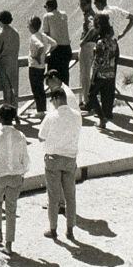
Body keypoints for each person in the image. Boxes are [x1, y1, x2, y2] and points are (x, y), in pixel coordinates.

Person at [0, 105, 29, 254]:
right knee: (11, 209)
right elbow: (25, 160)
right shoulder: (20, 136)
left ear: (0, 119)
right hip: (15, 176)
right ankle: (9, 243)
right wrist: (22, 173)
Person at [39, 88, 81, 240]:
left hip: (54, 159)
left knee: (53, 196)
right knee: (70, 196)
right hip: (70, 159)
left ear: (56, 99)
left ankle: (53, 229)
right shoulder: (77, 116)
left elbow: (41, 136)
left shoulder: (51, 116)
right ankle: (70, 229)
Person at [87, 14, 119, 130]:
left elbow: (98, 61)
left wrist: (93, 76)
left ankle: (101, 118)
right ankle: (104, 118)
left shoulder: (100, 43)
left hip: (100, 74)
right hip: (110, 74)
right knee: (106, 96)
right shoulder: (113, 42)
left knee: (91, 95)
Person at [27, 16, 57, 118]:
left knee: (35, 89)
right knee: (41, 88)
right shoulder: (43, 35)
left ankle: (40, 111)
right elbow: (54, 44)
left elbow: (40, 46)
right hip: (42, 66)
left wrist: (37, 56)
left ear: (31, 26)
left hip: (34, 66)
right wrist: (47, 53)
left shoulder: (33, 36)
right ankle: (42, 109)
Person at [42, 0, 72, 85]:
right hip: (67, 49)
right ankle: (65, 96)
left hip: (57, 50)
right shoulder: (64, 15)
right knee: (65, 77)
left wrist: (45, 51)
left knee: (54, 77)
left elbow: (46, 34)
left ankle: (56, 97)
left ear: (48, 7)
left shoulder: (47, 16)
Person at [0, 10, 20, 109]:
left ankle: (8, 112)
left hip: (4, 63)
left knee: (6, 90)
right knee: (12, 89)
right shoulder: (15, 32)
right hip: (13, 62)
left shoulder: (1, 33)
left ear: (0, 21)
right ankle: (14, 112)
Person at [77, 0, 97, 108]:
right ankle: (85, 99)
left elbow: (93, 28)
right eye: (80, 4)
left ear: (89, 4)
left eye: (83, 4)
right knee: (85, 74)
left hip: (87, 46)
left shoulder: (89, 16)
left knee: (84, 74)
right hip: (90, 46)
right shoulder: (90, 15)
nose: (81, 7)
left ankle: (86, 101)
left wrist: (83, 41)